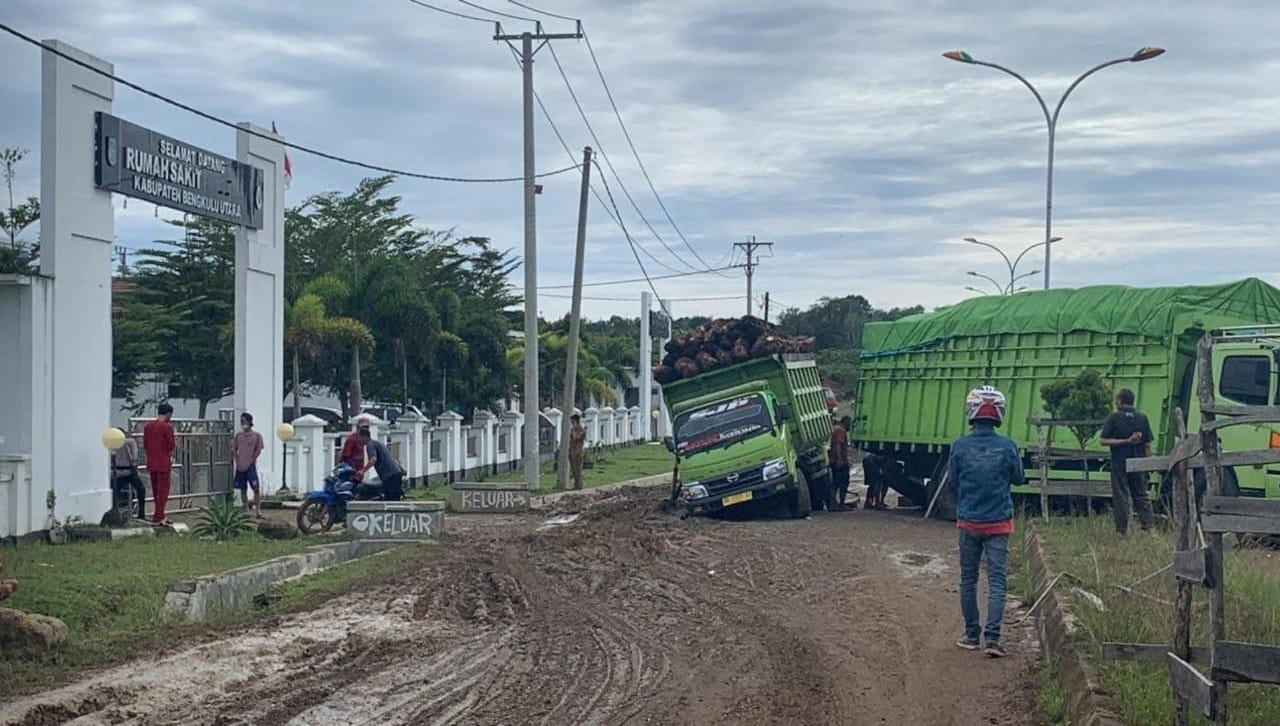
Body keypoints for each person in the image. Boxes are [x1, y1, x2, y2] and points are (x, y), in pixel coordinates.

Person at [950, 385, 1024, 658]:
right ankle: (992, 640)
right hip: (999, 523)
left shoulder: (958, 446)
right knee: (997, 581)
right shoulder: (1008, 446)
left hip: (969, 522)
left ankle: (971, 635)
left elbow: (954, 482)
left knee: (968, 579)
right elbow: (1018, 478)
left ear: (971, 411)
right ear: (999, 414)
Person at [1100, 388, 1156, 535]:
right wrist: (1149, 464)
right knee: (1141, 493)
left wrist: (1123, 441)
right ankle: (1149, 526)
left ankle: (1122, 529)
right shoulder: (1142, 418)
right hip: (1138, 462)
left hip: (1119, 462)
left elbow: (1103, 440)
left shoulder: (1114, 418)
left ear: (1119, 401)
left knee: (1121, 494)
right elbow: (1147, 445)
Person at [143, 403, 177, 525]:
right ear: (168, 413)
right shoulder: (167, 427)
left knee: (155, 489)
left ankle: (159, 514)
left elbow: (145, 444)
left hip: (151, 461)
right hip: (163, 462)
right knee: (163, 491)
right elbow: (171, 445)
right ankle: (158, 516)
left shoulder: (148, 426)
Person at [359, 425, 405, 501]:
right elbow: (392, 458)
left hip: (389, 476)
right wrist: (401, 469)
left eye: (359, 438)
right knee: (395, 500)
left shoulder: (370, 445)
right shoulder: (379, 444)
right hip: (396, 473)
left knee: (390, 502)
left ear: (364, 436)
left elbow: (373, 459)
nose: (359, 440)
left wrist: (362, 471)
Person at [233, 412, 265, 517]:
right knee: (243, 489)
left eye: (244, 421)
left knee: (256, 488)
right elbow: (234, 449)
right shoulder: (238, 436)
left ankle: (258, 510)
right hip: (240, 466)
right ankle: (245, 508)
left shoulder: (256, 436)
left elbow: (258, 450)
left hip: (250, 466)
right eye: (241, 421)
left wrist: (252, 460)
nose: (243, 423)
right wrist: (237, 461)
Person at [110, 435, 146, 521]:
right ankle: (141, 513)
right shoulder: (128, 443)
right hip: (129, 471)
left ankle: (115, 513)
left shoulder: (111, 444)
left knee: (115, 493)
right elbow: (134, 455)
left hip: (117, 473)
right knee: (141, 490)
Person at [828, 416, 852, 511]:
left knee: (838, 483)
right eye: (849, 424)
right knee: (840, 483)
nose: (850, 426)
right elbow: (838, 445)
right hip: (839, 462)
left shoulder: (839, 431)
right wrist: (840, 460)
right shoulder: (840, 432)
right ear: (845, 423)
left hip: (838, 460)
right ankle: (837, 504)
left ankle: (836, 504)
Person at [569, 414, 587, 490]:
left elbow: (576, 438)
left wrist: (573, 432)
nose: (572, 424)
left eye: (573, 422)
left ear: (577, 422)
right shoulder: (573, 430)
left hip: (578, 453)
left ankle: (579, 485)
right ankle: (576, 485)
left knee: (578, 470)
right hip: (572, 452)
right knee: (574, 470)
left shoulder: (581, 430)